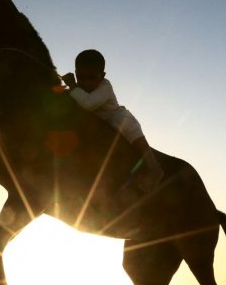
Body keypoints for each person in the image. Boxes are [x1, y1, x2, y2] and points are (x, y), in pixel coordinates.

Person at [61, 49, 164, 191]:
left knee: (130, 130)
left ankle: (154, 167)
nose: (86, 82)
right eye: (81, 77)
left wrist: (72, 85)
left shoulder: (105, 86)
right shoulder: (79, 88)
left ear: (102, 76)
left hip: (115, 117)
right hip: (100, 123)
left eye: (92, 77)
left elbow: (88, 104)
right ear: (76, 73)